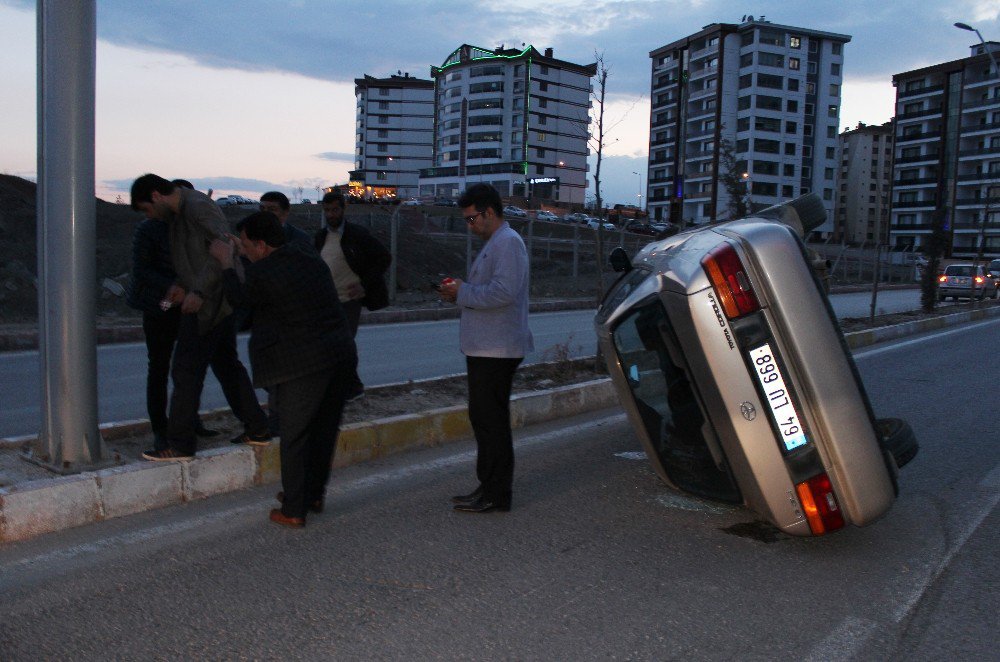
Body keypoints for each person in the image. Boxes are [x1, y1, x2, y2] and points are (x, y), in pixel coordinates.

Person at [209, 211, 357, 528]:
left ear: (262, 245)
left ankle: (293, 510)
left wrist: (226, 262)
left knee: (295, 435)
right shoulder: (304, 254)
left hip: (302, 365)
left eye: (247, 245)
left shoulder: (266, 273)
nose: (244, 250)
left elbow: (241, 298)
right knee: (323, 432)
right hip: (338, 356)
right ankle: (311, 495)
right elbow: (267, 275)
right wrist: (244, 252)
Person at [130, 174, 270, 461]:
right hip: (208, 301)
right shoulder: (180, 214)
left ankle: (180, 445)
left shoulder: (197, 208)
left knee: (185, 370)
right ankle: (258, 428)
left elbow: (223, 252)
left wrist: (199, 292)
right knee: (227, 367)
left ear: (156, 196)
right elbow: (193, 259)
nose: (150, 216)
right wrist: (181, 288)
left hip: (210, 304)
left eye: (147, 208)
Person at [438, 183, 533, 514]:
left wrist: (462, 292)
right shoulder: (498, 242)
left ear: (489, 213)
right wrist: (460, 292)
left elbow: (502, 292)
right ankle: (488, 486)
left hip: (498, 348)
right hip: (487, 347)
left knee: (491, 421)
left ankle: (497, 493)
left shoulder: (508, 244)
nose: (470, 225)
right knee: (484, 419)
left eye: (471, 219)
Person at [125, 209, 219, 449]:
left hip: (188, 305)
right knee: (158, 367)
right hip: (161, 305)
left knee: (188, 368)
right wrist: (174, 286)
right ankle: (160, 428)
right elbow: (142, 270)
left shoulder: (192, 228)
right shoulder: (149, 229)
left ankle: (189, 421)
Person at [313, 190, 391, 400]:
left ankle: (353, 387)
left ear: (343, 209)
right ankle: (345, 385)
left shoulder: (357, 235)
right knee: (330, 345)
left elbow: (383, 258)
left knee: (344, 343)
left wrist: (364, 285)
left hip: (349, 300)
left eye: (335, 210)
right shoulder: (321, 237)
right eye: (327, 210)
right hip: (327, 301)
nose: (331, 215)